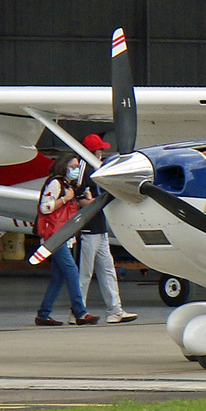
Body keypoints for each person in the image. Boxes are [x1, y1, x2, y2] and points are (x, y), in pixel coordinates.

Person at [74, 133, 137, 323]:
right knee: (85, 272)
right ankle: (78, 311)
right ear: (92, 151)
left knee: (107, 269)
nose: (101, 153)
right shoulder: (83, 168)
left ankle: (115, 310)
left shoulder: (96, 168)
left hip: (99, 228)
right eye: (99, 149)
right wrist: (92, 201)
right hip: (88, 229)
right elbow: (78, 197)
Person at [35, 151, 99, 327]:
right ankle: (80, 312)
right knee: (71, 272)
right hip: (55, 237)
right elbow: (46, 207)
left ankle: (44, 313)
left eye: (77, 167)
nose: (76, 170)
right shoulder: (56, 184)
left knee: (58, 277)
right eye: (72, 167)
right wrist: (65, 199)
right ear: (64, 166)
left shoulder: (68, 185)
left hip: (64, 235)